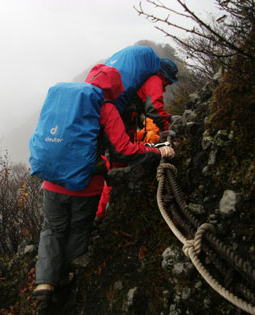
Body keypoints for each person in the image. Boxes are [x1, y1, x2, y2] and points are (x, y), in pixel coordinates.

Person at [31, 64, 175, 301]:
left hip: (51, 181)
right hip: (85, 185)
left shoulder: (61, 101)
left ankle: (44, 283)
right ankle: (66, 277)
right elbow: (122, 150)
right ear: (115, 88)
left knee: (52, 229)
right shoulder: (105, 107)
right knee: (79, 228)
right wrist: (158, 154)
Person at [95, 56, 178, 221]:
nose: (167, 86)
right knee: (116, 169)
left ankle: (104, 213)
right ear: (164, 76)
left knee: (118, 165)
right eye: (168, 82)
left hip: (125, 123)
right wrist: (166, 129)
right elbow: (154, 106)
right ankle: (101, 215)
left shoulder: (144, 80)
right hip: (122, 125)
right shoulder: (155, 79)